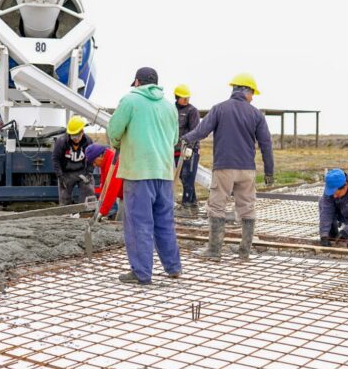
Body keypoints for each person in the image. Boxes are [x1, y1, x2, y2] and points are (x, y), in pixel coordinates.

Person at [182, 73, 274, 261]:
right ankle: (244, 252)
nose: (253, 97)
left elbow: (201, 131)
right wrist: (269, 172)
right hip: (247, 170)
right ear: (245, 91)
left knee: (217, 206)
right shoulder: (256, 114)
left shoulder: (219, 109)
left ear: (235, 89)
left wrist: (184, 139)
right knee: (247, 208)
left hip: (224, 168)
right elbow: (266, 144)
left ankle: (214, 251)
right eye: (252, 93)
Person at [107, 67, 182, 285]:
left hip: (138, 172)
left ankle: (141, 273)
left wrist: (120, 144)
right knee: (165, 222)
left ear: (137, 82)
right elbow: (175, 138)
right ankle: (173, 267)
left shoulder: (130, 101)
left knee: (139, 222)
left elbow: (114, 132)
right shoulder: (170, 107)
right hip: (164, 172)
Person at [52, 115, 95, 205]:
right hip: (66, 173)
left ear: (82, 132)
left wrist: (89, 172)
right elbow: (55, 159)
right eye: (73, 136)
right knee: (64, 198)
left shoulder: (88, 142)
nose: (75, 139)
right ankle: (65, 216)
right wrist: (60, 176)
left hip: (82, 171)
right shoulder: (61, 142)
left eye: (77, 136)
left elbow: (92, 158)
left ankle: (86, 214)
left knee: (88, 192)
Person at [173, 84, 201, 218]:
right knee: (183, 177)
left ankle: (186, 205)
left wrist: (190, 148)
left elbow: (196, 131)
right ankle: (193, 203)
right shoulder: (172, 110)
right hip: (176, 150)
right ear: (177, 98)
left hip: (190, 150)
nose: (186, 100)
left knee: (187, 176)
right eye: (183, 98)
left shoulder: (192, 111)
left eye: (187, 98)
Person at [85, 144, 123, 219]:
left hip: (132, 195)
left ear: (100, 156)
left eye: (94, 162)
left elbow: (111, 189)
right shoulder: (105, 161)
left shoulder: (113, 161)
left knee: (122, 223)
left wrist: (102, 212)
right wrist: (100, 206)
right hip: (124, 196)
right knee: (120, 221)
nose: (94, 165)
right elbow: (104, 185)